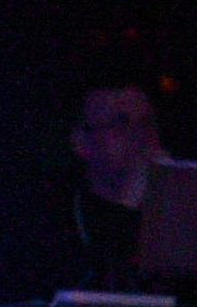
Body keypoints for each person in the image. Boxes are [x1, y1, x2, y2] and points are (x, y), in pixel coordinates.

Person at [66, 76, 163, 286]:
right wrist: (127, 202)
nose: (139, 136)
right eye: (121, 124)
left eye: (146, 124)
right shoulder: (51, 217)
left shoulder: (181, 212)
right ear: (80, 141)